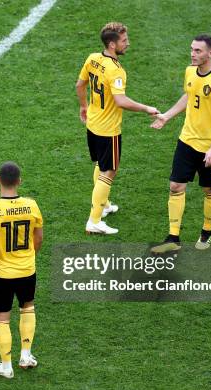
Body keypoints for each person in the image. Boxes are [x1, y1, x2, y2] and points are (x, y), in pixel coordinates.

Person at [150, 34, 211, 253]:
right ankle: (173, 238)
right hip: (187, 140)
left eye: (198, 51)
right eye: (191, 49)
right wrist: (167, 116)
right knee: (175, 186)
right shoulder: (190, 71)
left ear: (210, 53)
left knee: (209, 190)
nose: (192, 54)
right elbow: (189, 96)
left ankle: (206, 233)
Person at [76, 22, 159, 234]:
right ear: (112, 44)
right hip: (108, 129)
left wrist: (83, 106)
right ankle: (94, 221)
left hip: (93, 124)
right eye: (124, 40)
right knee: (109, 171)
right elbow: (121, 101)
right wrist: (146, 108)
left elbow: (80, 85)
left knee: (101, 165)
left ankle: (102, 205)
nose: (128, 43)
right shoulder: (116, 70)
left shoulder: (92, 58)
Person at [0, 162, 43, 379]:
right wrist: (29, 257)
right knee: (27, 309)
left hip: (2, 274)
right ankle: (26, 355)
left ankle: (6, 366)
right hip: (27, 269)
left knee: (2, 319)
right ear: (19, 181)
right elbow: (39, 237)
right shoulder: (32, 205)